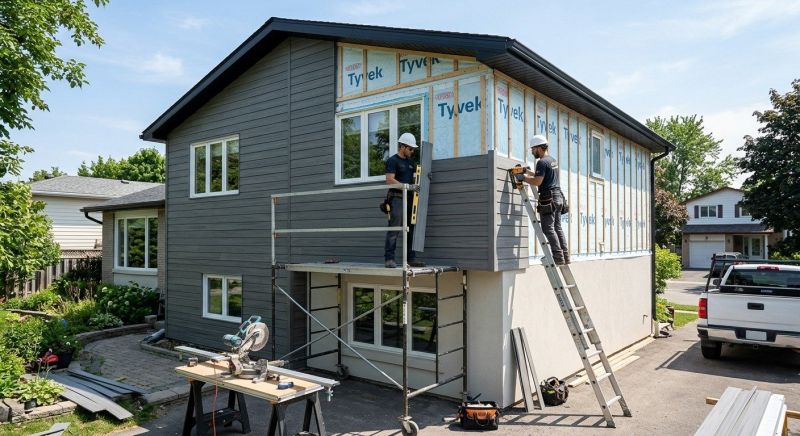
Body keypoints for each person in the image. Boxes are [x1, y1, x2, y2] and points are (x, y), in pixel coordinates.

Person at [518, 135, 570, 265]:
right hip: (558, 197)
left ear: (539, 148)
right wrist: (527, 171)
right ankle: (565, 256)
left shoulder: (541, 162)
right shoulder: (552, 160)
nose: (531, 152)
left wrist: (522, 178)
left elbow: (537, 181)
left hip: (548, 198)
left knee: (548, 229)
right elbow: (541, 175)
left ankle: (557, 257)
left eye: (533, 149)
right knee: (557, 228)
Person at [384, 132, 425, 268]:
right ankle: (389, 259)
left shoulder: (410, 163)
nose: (412, 151)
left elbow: (416, 178)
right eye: (410, 149)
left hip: (409, 199)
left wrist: (426, 177)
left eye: (413, 149)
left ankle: (410, 259)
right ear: (402, 147)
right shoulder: (393, 161)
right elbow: (390, 180)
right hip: (396, 198)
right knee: (394, 229)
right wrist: (407, 187)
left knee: (410, 229)